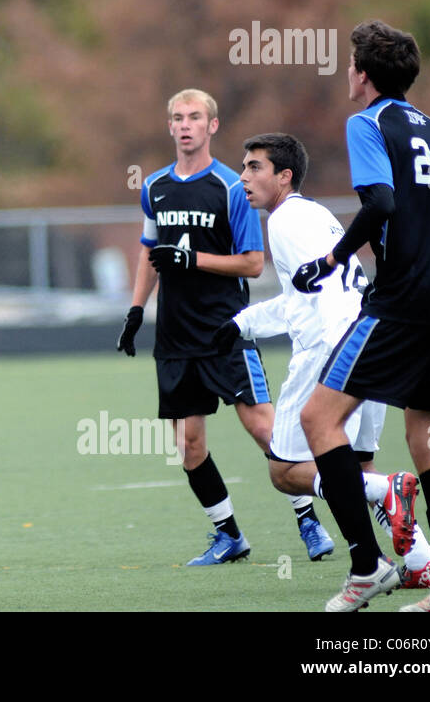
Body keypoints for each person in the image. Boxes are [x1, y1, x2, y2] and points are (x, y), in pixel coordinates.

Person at [296, 20, 430, 612]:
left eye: (351, 64)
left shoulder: (366, 122)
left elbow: (378, 202)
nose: (348, 73)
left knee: (318, 420)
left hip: (403, 302)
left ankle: (367, 564)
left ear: (365, 75)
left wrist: (330, 258)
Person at [214, 133, 430, 585]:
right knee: (356, 464)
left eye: (254, 167)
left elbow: (328, 296)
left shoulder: (284, 221)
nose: (243, 176)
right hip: (368, 340)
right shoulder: (314, 214)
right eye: (243, 166)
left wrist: (341, 362)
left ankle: (385, 495)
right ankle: (422, 564)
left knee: (284, 471)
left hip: (330, 352)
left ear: (284, 175)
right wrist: (243, 323)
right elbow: (303, 295)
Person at [116, 89, 287, 566]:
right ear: (169, 126)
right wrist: (134, 312)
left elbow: (254, 264)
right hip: (174, 335)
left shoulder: (234, 187)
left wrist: (193, 259)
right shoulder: (154, 186)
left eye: (195, 117)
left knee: (261, 427)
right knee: (189, 445)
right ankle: (229, 535)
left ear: (213, 125)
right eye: (177, 117)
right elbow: (151, 253)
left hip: (225, 331)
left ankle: (307, 517)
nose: (185, 124)